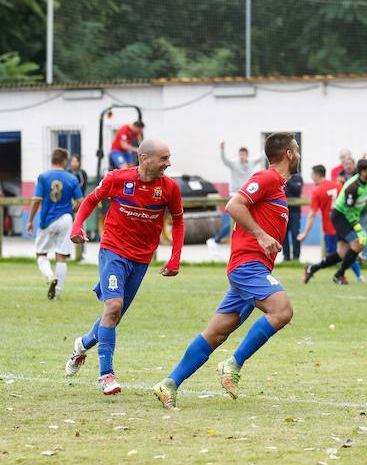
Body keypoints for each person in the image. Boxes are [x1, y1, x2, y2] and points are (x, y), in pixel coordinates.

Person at [152, 133, 299, 409]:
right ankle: (232, 364)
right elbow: (233, 205)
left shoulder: (278, 188)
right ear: (289, 154)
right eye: (297, 149)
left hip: (249, 270)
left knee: (216, 334)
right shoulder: (266, 178)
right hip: (248, 267)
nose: (299, 154)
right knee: (282, 310)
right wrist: (261, 235)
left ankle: (169, 383)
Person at [66, 139, 184, 395]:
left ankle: (82, 345)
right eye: (164, 158)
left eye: (169, 157)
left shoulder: (170, 188)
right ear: (144, 159)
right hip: (113, 252)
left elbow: (178, 221)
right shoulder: (116, 179)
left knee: (114, 316)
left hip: (142, 259)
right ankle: (106, 375)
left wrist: (175, 257)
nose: (169, 163)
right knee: (113, 306)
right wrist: (77, 226)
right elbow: (89, 200)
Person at [304, 159, 367, 285]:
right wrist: (358, 228)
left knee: (341, 253)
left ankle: (312, 268)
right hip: (341, 216)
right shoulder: (353, 186)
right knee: (358, 244)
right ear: (363, 172)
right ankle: (339, 275)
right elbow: (348, 211)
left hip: (350, 217)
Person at [26, 148, 84, 299]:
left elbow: (36, 200)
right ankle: (57, 292)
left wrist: (31, 220)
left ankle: (50, 276)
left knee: (41, 253)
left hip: (48, 219)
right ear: (65, 161)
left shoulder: (44, 177)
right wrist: (71, 210)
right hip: (66, 219)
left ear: (52, 160)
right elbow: (80, 201)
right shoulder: (72, 178)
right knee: (61, 256)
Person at [297, 165, 363, 281]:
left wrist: (305, 233)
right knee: (345, 252)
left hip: (330, 227)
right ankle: (344, 275)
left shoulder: (317, 191)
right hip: (343, 225)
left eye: (312, 175)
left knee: (343, 253)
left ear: (316, 175)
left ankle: (317, 269)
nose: (311, 178)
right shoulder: (338, 185)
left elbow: (312, 214)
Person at [207, 141, 265, 255]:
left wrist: (266, 144)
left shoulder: (251, 162)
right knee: (235, 220)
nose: (242, 157)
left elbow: (262, 156)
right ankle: (215, 240)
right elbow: (225, 161)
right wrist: (222, 149)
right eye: (241, 155)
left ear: (247, 155)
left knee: (244, 221)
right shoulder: (234, 163)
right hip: (235, 194)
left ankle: (244, 245)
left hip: (247, 195)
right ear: (239, 155)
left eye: (244, 155)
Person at [282, 169, 303, 261]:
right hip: (283, 210)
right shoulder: (280, 177)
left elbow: (297, 191)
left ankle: (296, 257)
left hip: (295, 211)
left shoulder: (297, 178)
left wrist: (288, 180)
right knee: (284, 234)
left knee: (295, 233)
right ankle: (286, 257)